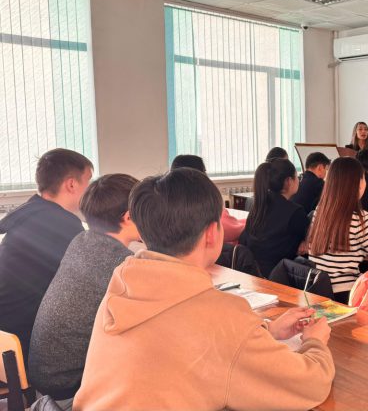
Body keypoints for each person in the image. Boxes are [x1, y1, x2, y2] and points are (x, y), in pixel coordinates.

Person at [73, 168, 334, 410]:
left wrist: (267, 330)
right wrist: (314, 341)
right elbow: (310, 383)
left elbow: (181, 340)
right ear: (212, 233)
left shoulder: (122, 283)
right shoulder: (222, 315)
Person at [28, 174, 139, 410]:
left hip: (45, 382)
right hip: (70, 394)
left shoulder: (81, 241)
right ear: (129, 217)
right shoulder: (123, 264)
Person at [0, 148, 93, 362]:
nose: (91, 189)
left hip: (6, 336)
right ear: (71, 184)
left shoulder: (28, 213)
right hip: (27, 343)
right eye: (88, 181)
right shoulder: (63, 225)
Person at [307, 157, 368, 303]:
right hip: (346, 297)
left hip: (317, 292)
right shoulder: (361, 219)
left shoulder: (319, 211)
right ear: (359, 184)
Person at [240, 158, 309, 276]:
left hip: (253, 273)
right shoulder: (295, 212)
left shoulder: (258, 207)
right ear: (289, 181)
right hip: (280, 276)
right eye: (297, 177)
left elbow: (244, 239)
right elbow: (307, 246)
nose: (299, 180)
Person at [170, 154, 245, 244]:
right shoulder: (204, 201)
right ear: (198, 174)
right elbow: (230, 229)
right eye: (204, 171)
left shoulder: (168, 202)